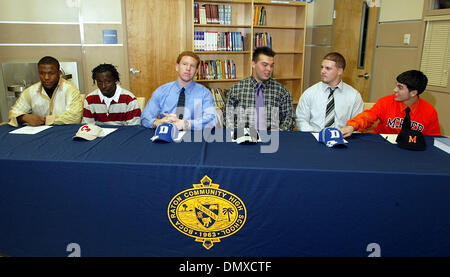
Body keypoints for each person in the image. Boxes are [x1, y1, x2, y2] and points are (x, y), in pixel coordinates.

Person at [341, 70, 441, 137]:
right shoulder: (386, 102)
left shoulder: (430, 111)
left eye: (400, 87)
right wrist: (352, 126)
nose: (395, 90)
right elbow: (368, 116)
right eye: (396, 85)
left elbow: (433, 138)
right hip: (383, 146)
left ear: (413, 93)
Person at [223, 46, 295, 131]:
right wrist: (241, 133)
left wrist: (277, 133)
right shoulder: (236, 90)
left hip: (273, 137)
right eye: (264, 65)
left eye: (271, 65)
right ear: (253, 64)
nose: (269, 69)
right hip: (244, 138)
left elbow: (289, 118)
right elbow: (227, 117)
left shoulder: (281, 91)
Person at [141, 51, 216, 130]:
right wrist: (156, 122)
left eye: (192, 66)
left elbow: (211, 120)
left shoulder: (205, 93)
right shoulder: (161, 91)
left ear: (196, 71)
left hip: (193, 136)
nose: (188, 68)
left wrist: (185, 124)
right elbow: (145, 117)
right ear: (177, 67)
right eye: (184, 64)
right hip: (166, 134)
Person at [296, 52, 363, 132]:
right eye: (322, 67)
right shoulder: (310, 93)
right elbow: (301, 120)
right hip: (314, 137)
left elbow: (357, 124)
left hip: (343, 139)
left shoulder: (354, 95)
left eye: (328, 68)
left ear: (340, 71)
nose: (323, 71)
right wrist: (313, 135)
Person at [8, 56, 83, 127]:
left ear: (59, 73)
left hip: (63, 132)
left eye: (51, 73)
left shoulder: (70, 90)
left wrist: (45, 120)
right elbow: (12, 113)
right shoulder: (31, 91)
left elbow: (75, 117)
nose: (46, 77)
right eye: (42, 73)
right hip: (39, 135)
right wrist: (24, 118)